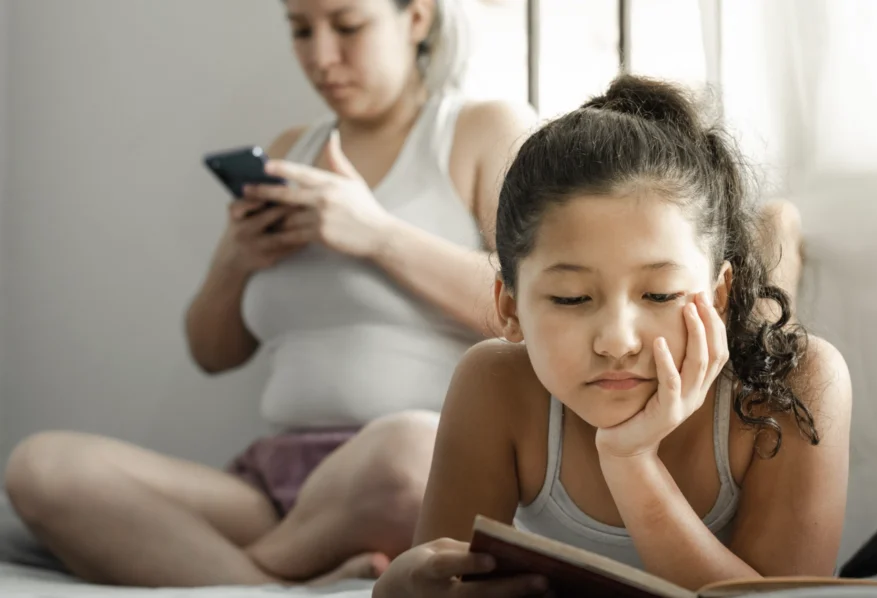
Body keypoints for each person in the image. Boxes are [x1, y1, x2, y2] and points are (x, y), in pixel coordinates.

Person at [3, 0, 535, 588]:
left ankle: (236, 572)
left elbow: (533, 310)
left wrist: (377, 235)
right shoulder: (289, 152)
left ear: (416, 19)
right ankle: (290, 577)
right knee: (42, 468)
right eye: (301, 30)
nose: (321, 56)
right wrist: (236, 258)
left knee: (411, 447)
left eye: (348, 26)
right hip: (279, 482)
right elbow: (212, 352)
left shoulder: (481, 129)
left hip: (400, 473)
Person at [371, 75, 852, 598]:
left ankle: (777, 243)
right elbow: (442, 577)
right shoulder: (495, 384)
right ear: (509, 306)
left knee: (766, 328)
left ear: (717, 294)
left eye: (661, 295)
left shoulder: (797, 385)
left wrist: (631, 461)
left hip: (748, 357)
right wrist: (395, 588)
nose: (617, 342)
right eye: (572, 298)